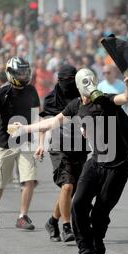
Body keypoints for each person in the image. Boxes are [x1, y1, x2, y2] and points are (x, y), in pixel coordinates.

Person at [12, 68, 128, 254]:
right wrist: (24, 128)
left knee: (99, 214)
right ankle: (85, 253)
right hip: (95, 162)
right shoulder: (76, 105)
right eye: (85, 82)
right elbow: (52, 121)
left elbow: (124, 98)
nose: (89, 86)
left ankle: (97, 246)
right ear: (79, 87)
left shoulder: (104, 100)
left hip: (118, 166)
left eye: (91, 81)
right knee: (78, 205)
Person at [0, 56, 40, 230]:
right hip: (6, 143)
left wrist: (39, 142)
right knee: (0, 182)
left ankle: (22, 217)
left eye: (25, 72)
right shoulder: (3, 92)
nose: (23, 76)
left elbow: (36, 116)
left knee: (29, 179)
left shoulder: (32, 91)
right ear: (10, 74)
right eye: (19, 73)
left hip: (27, 142)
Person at [39, 64, 89, 243]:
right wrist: (40, 144)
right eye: (64, 81)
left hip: (80, 146)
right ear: (58, 81)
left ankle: (52, 221)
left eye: (70, 81)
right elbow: (44, 123)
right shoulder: (51, 99)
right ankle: (67, 227)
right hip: (59, 147)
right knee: (67, 186)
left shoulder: (82, 95)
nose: (67, 84)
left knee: (70, 189)